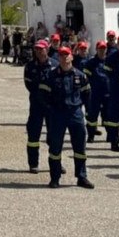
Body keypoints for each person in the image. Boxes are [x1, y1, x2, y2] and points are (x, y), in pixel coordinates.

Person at [42, 46, 93, 188]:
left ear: (71, 56)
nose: (64, 58)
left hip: (75, 114)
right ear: (58, 58)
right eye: (61, 55)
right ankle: (55, 178)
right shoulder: (51, 76)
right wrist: (51, 109)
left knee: (80, 147)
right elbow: (44, 96)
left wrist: (84, 110)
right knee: (55, 148)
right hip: (57, 115)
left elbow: (87, 95)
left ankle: (82, 177)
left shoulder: (80, 75)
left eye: (67, 55)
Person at [24, 40, 57, 173]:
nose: (39, 51)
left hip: (52, 106)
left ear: (47, 50)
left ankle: (56, 163)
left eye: (41, 49)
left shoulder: (55, 65)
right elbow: (29, 85)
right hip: (36, 105)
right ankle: (33, 164)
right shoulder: (30, 66)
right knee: (33, 136)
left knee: (54, 136)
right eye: (37, 49)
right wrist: (41, 92)